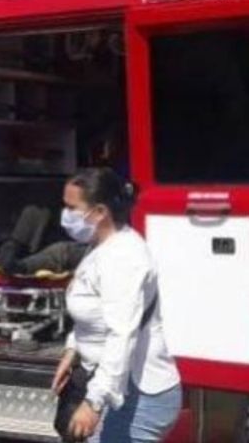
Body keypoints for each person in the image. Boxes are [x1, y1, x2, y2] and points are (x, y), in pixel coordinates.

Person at [51, 168, 181, 442]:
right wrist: (73, 350)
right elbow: (95, 313)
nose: (65, 214)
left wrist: (94, 401)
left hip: (140, 396)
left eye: (71, 207)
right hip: (123, 391)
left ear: (99, 212)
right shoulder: (101, 246)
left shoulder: (122, 258)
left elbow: (121, 333)